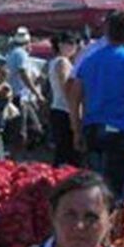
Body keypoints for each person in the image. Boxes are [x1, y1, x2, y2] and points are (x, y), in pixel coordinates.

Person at [72, 9, 124, 210]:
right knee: (115, 196)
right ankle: (107, 237)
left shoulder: (90, 60)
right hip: (120, 130)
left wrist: (76, 130)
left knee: (95, 190)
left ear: (107, 30)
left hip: (92, 129)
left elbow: (74, 100)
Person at [6, 27, 45, 149]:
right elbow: (22, 73)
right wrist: (36, 93)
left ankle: (20, 152)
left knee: (33, 128)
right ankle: (17, 157)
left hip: (22, 96)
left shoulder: (14, 53)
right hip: (20, 96)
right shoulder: (20, 53)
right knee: (22, 131)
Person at [47, 32, 80, 166]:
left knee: (62, 150)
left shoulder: (54, 61)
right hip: (65, 109)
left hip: (58, 107)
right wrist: (75, 111)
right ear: (61, 45)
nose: (74, 47)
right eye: (71, 43)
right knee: (67, 151)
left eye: (76, 44)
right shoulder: (62, 61)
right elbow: (66, 87)